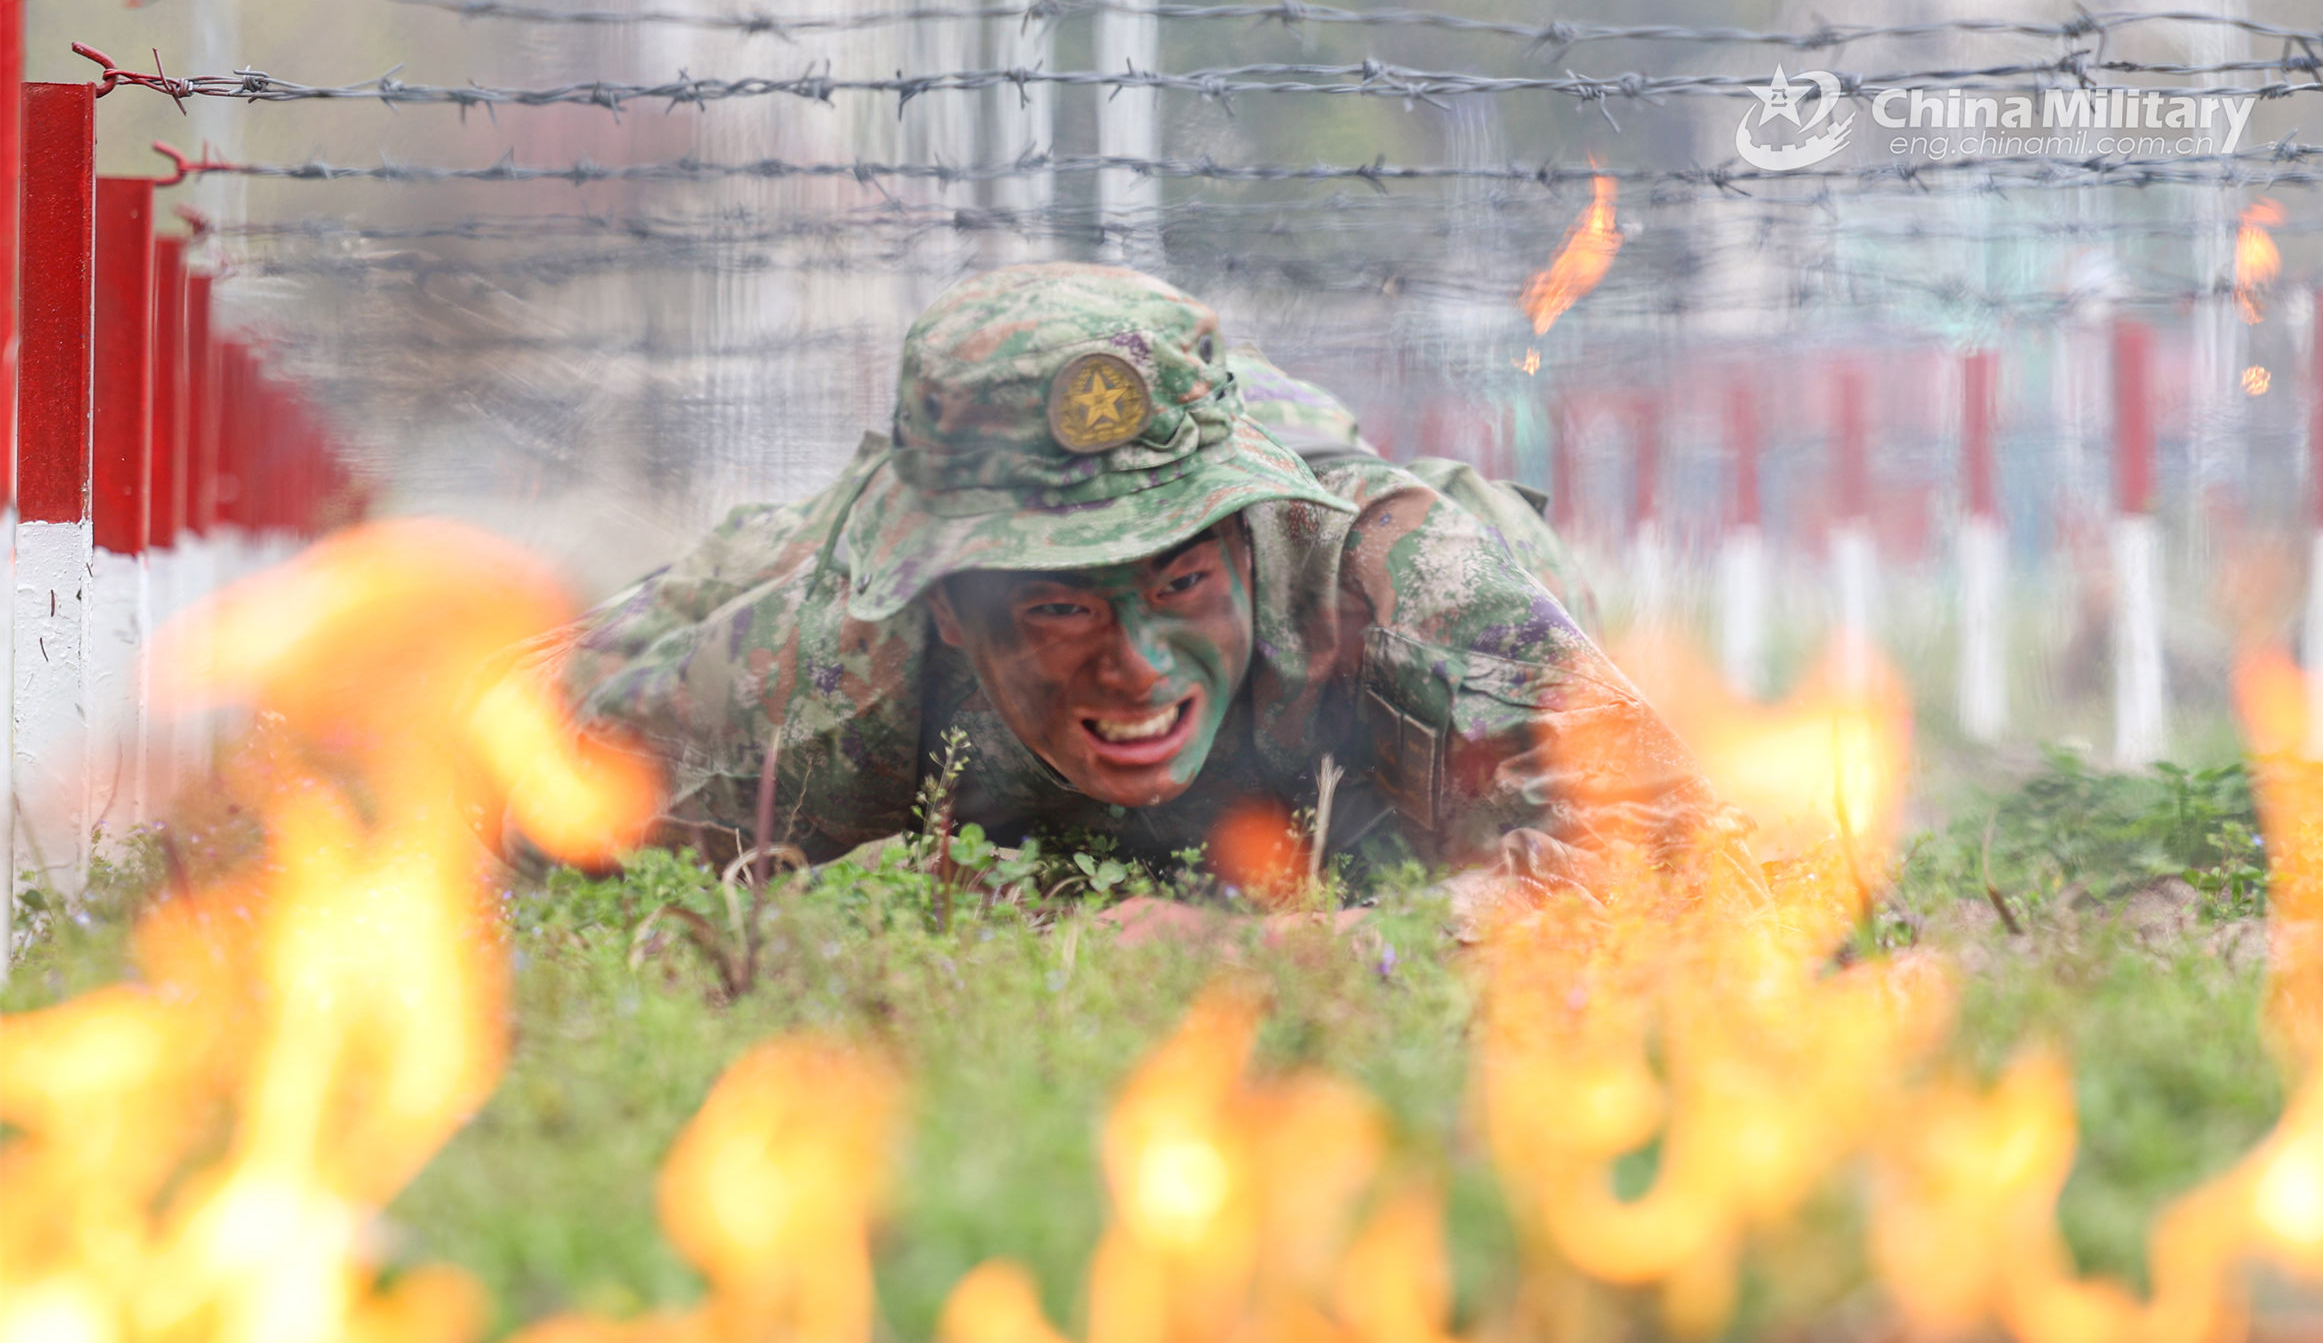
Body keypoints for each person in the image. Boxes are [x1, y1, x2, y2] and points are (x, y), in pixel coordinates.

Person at [551, 262, 1744, 912]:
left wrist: (1300, 953)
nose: (1136, 666)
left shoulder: (1389, 575)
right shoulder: (841, 658)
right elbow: (506, 785)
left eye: (1178, 581)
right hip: (879, 533)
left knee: (1520, 592)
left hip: (1333, 648)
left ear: (1246, 544)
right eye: (1062, 608)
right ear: (954, 613)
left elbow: (1679, 861)